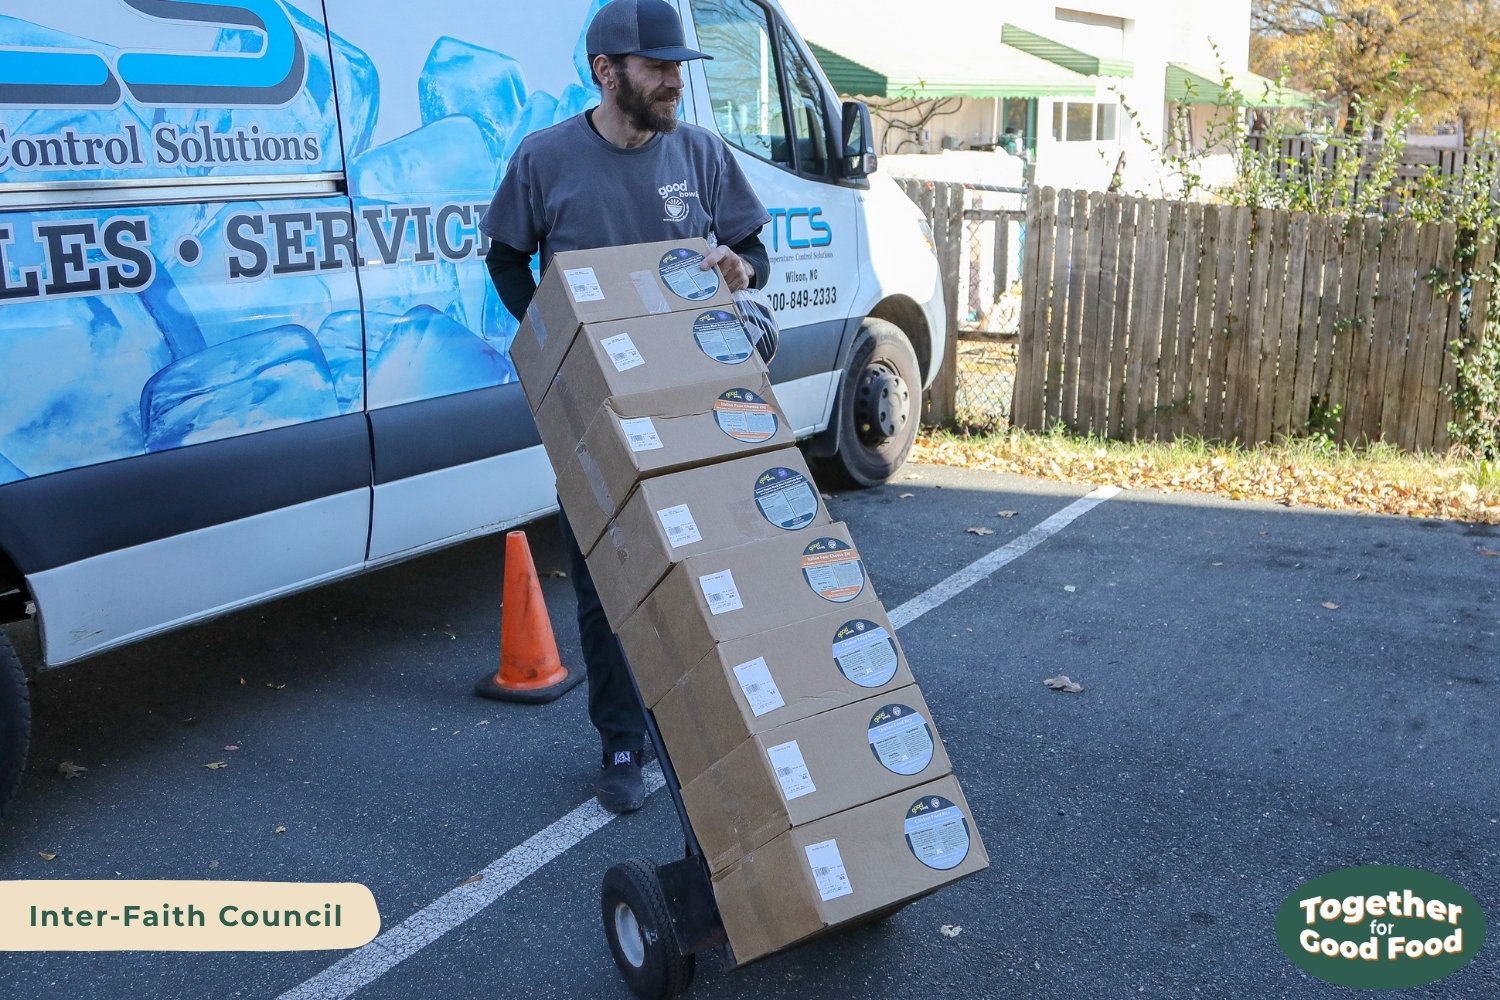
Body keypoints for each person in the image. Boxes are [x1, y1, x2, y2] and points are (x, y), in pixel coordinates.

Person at [479, 0, 771, 814]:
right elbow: (504, 255)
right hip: (592, 412)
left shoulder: (703, 155)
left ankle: (712, 721)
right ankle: (621, 742)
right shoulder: (545, 159)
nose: (675, 82)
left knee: (704, 565)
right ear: (606, 72)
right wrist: (552, 337)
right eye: (658, 67)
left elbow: (753, 250)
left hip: (693, 402)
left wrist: (739, 267)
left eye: (679, 67)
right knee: (608, 582)